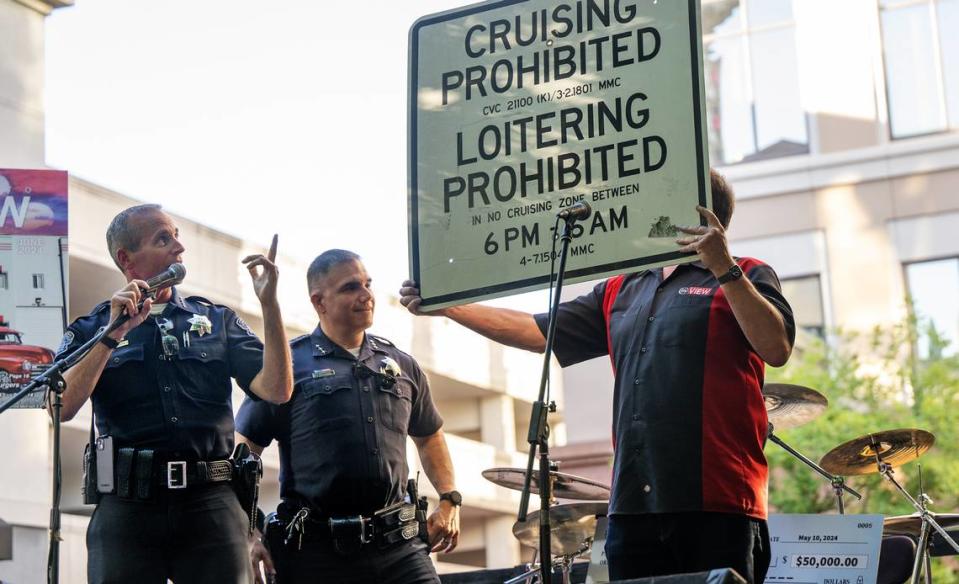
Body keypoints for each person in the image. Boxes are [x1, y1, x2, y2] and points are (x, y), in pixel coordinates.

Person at [399, 171, 795, 583]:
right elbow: (537, 331)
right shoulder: (622, 288)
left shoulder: (748, 272)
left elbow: (776, 347)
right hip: (632, 506)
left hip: (718, 502)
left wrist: (724, 267)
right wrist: (448, 306)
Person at [57, 204, 293, 584]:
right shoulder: (93, 328)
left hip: (210, 503)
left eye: (177, 237)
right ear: (126, 259)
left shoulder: (216, 319)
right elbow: (62, 408)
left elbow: (278, 390)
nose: (179, 249)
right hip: (127, 505)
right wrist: (113, 334)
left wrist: (270, 305)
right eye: (163, 239)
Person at [237, 249, 460, 584]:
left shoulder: (401, 364)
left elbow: (430, 435)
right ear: (319, 301)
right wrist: (250, 532)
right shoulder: (287, 367)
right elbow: (244, 452)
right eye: (350, 287)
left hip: (399, 546)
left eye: (367, 284)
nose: (366, 295)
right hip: (314, 552)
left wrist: (449, 498)